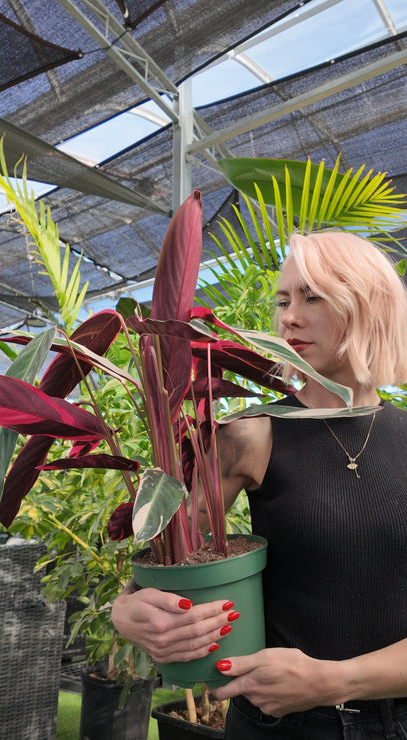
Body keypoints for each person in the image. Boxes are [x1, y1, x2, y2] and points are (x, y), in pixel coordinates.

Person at [112, 231, 407, 739]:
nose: (288, 316)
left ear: (368, 304)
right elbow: (171, 563)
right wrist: (128, 610)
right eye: (283, 300)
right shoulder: (250, 434)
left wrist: (336, 680)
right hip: (278, 724)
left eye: (313, 296)